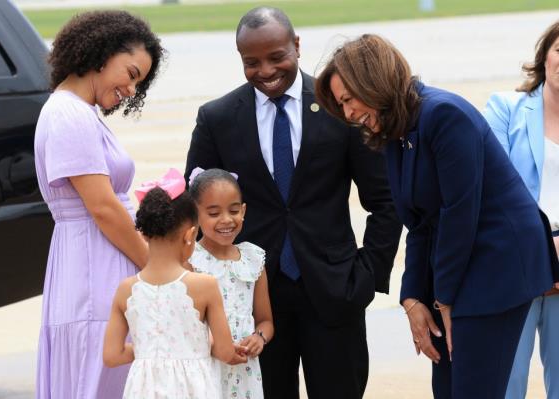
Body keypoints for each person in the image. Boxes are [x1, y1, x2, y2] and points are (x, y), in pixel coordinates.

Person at [314, 33, 559, 399]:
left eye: (348, 99)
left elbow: (460, 215)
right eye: (341, 105)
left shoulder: (444, 115)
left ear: (372, 80)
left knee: (474, 390)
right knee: (446, 389)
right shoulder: (396, 132)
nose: (348, 114)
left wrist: (442, 300)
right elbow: (419, 225)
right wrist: (413, 298)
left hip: (499, 267)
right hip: (459, 269)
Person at [185, 7, 402, 398]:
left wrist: (367, 275)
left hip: (335, 292)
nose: (265, 70)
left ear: (297, 46)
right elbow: (193, 209)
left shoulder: (341, 107)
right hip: (250, 306)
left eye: (276, 57)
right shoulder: (216, 118)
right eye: (251, 62)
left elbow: (384, 201)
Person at [33, 10, 163, 398]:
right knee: (96, 381)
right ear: (103, 55)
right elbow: (103, 208)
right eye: (132, 74)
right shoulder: (68, 114)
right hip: (92, 272)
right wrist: (155, 266)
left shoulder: (80, 112)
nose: (132, 90)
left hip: (98, 265)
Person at [103, 170, 245, 399]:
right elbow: (225, 351)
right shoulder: (205, 285)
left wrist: (149, 351)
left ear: (144, 235)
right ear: (190, 235)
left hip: (143, 390)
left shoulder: (125, 290)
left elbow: (112, 355)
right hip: (194, 389)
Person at [484, 21, 559, 399]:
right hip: (515, 264)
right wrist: (544, 249)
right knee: (505, 386)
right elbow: (490, 189)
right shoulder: (505, 109)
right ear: (544, 55)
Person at [187, 167, 274, 399]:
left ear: (243, 211)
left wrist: (259, 338)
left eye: (234, 210)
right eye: (214, 213)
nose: (226, 220)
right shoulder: (190, 260)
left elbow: (265, 320)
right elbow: (183, 322)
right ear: (195, 214)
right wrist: (216, 346)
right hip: (205, 366)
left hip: (244, 372)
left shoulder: (253, 259)